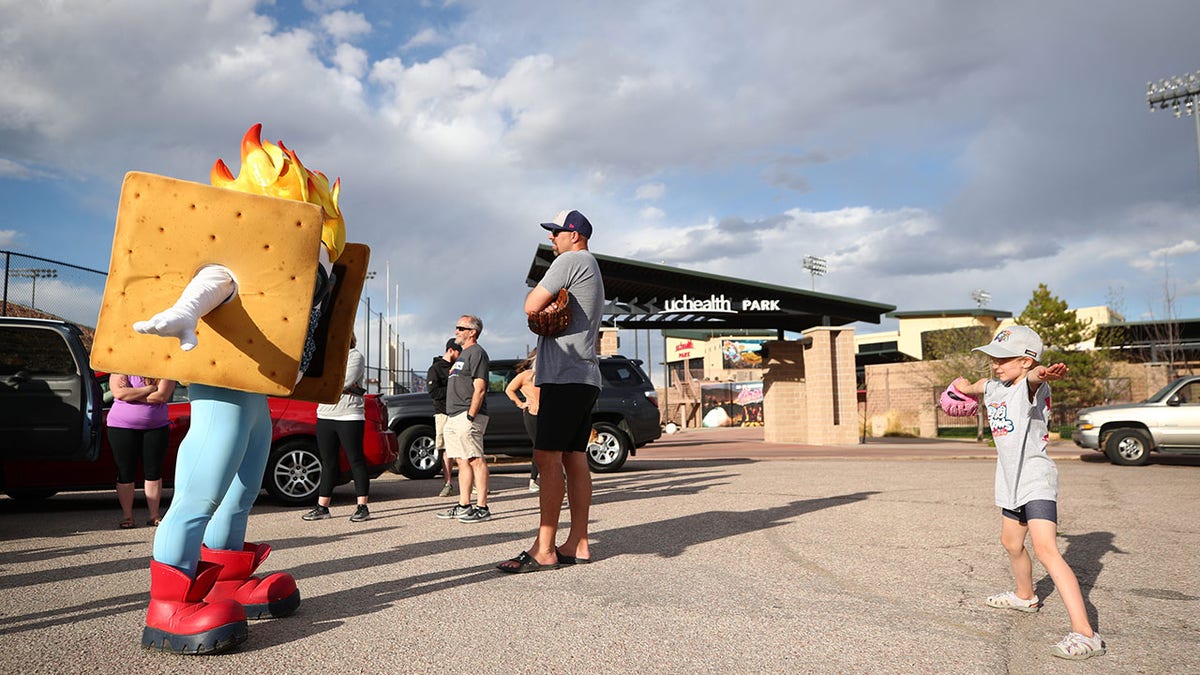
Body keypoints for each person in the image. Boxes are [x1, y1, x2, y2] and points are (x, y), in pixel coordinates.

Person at [951, 325, 1106, 660]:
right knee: (1011, 543)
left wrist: (1041, 372)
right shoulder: (995, 384)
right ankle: (1026, 596)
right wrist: (962, 387)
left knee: (1046, 550)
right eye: (992, 358)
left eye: (1003, 359)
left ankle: (1086, 633)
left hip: (1035, 478)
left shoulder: (1029, 385)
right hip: (1009, 480)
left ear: (1024, 361)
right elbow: (981, 386)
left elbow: (1035, 378)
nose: (995, 364)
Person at [498, 209, 604, 573]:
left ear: (574, 235)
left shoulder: (572, 260)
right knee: (574, 458)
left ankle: (544, 548)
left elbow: (531, 306)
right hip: (585, 376)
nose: (551, 238)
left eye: (556, 232)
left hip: (564, 376)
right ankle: (579, 542)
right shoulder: (591, 265)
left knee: (547, 458)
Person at [302, 334, 370, 522]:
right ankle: (322, 507)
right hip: (325, 413)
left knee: (355, 459)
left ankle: (362, 506)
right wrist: (328, 382)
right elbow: (314, 378)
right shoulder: (326, 356)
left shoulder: (355, 356)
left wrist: (327, 382)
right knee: (328, 462)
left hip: (350, 415)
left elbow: (345, 381)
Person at [436, 315, 492, 523]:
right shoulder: (463, 355)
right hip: (454, 416)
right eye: (456, 327)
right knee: (462, 460)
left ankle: (482, 507)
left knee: (476, 459)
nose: (456, 331)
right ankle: (464, 505)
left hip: (467, 416)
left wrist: (470, 415)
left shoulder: (477, 353)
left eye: (461, 327)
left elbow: (481, 387)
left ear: (472, 332)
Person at [108, 374, 176, 529]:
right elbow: (119, 393)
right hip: (121, 426)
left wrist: (131, 394)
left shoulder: (164, 369)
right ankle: (127, 516)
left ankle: (154, 515)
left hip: (156, 427)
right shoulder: (121, 367)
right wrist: (149, 389)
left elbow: (161, 396)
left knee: (153, 471)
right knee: (125, 471)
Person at [427, 338, 461, 498]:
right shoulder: (435, 369)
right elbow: (434, 392)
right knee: (447, 450)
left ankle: (471, 483)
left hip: (459, 412)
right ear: (451, 350)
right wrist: (452, 388)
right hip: (444, 413)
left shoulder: (460, 367)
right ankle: (448, 483)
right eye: (459, 352)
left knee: (463, 449)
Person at [504, 349, 541, 492]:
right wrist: (521, 403)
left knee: (546, 447)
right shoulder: (526, 375)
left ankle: (546, 477)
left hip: (547, 414)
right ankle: (533, 480)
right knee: (538, 446)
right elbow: (509, 390)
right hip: (532, 413)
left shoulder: (549, 374)